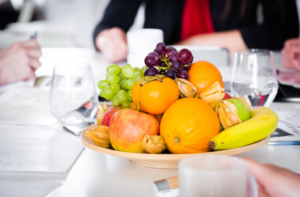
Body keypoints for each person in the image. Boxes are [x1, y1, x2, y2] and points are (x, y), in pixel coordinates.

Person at [93, 0, 299, 62]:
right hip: (161, 81)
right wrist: (106, 40)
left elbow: (283, 29)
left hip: (228, 75)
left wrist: (194, 44)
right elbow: (107, 25)